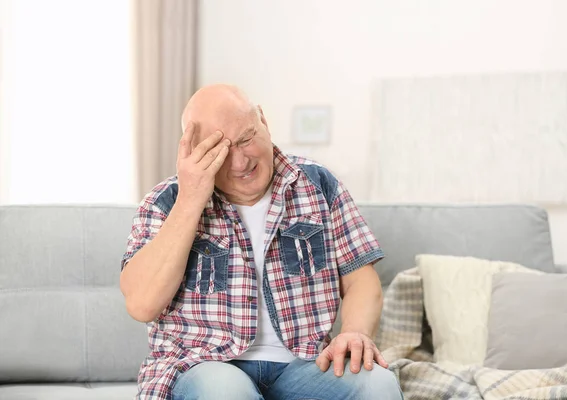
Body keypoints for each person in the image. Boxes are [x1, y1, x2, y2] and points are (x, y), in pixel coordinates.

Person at [120, 84, 404, 400]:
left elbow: (360, 282)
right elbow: (141, 303)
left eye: (246, 139)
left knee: (376, 383)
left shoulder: (319, 185)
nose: (241, 162)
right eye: (221, 153)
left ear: (264, 123)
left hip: (304, 366)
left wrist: (354, 333)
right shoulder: (165, 202)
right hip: (206, 367)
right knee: (225, 391)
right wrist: (190, 199)